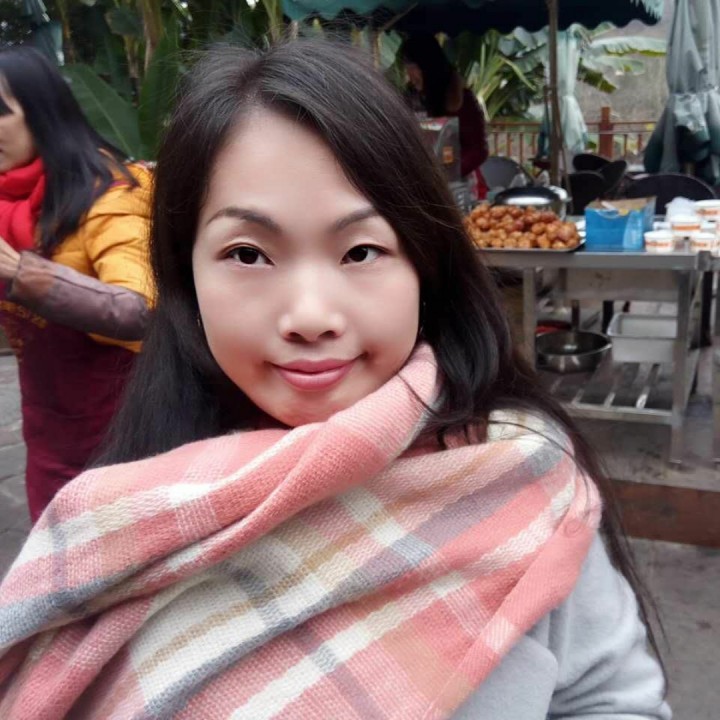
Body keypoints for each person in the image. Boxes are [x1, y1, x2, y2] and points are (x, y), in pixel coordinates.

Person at [0, 41, 669, 719]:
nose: (311, 317)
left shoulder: (517, 477)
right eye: (248, 254)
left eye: (361, 250)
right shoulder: (115, 529)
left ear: (425, 263)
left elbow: (613, 700)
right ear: (185, 276)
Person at [0, 47, 153, 522]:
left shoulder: (110, 196)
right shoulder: (6, 202)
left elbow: (141, 310)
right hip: (48, 431)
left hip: (123, 436)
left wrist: (22, 273)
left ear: (42, 113)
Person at [401, 33, 489, 199]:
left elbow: (478, 150)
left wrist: (446, 173)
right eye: (407, 67)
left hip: (459, 185)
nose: (410, 75)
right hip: (422, 184)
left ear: (428, 66)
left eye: (414, 68)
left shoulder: (460, 98)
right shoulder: (410, 98)